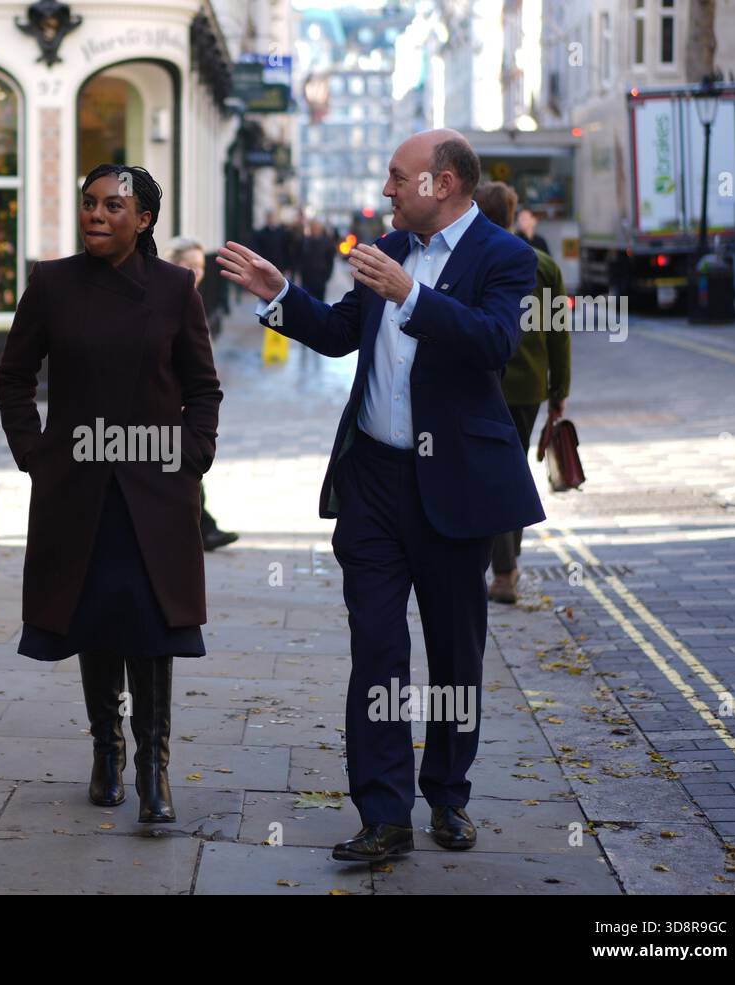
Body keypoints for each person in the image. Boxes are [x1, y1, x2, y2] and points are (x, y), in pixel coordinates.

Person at [217, 129, 543, 863]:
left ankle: (448, 794)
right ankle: (384, 811)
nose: (388, 191)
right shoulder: (389, 252)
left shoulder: (506, 257)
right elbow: (339, 333)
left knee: (455, 652)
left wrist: (414, 297)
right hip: (373, 484)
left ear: (446, 184)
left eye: (400, 178)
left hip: (452, 485)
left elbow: (494, 342)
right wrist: (280, 295)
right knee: (377, 647)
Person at [0, 165, 222, 823]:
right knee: (95, 617)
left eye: (113, 205)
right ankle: (106, 748)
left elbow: (202, 386)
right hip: (79, 485)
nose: (96, 214)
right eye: (89, 203)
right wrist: (36, 455)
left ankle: (155, 766)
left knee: (151, 625)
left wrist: (193, 455)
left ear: (144, 219)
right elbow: (13, 377)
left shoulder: (177, 288)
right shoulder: (52, 284)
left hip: (155, 488)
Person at [475, 183, 571, 603]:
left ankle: (503, 570)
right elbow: (558, 335)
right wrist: (559, 391)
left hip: (484, 383)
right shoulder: (544, 264)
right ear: (513, 214)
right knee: (510, 472)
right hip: (530, 387)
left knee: (489, 474)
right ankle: (507, 567)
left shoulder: (473, 259)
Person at [165, 236, 238, 551]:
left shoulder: (190, 299)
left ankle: (200, 528)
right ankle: (200, 530)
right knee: (182, 473)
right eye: (188, 265)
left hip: (185, 407)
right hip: (165, 406)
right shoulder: (166, 302)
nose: (196, 272)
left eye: (200, 266)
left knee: (185, 471)